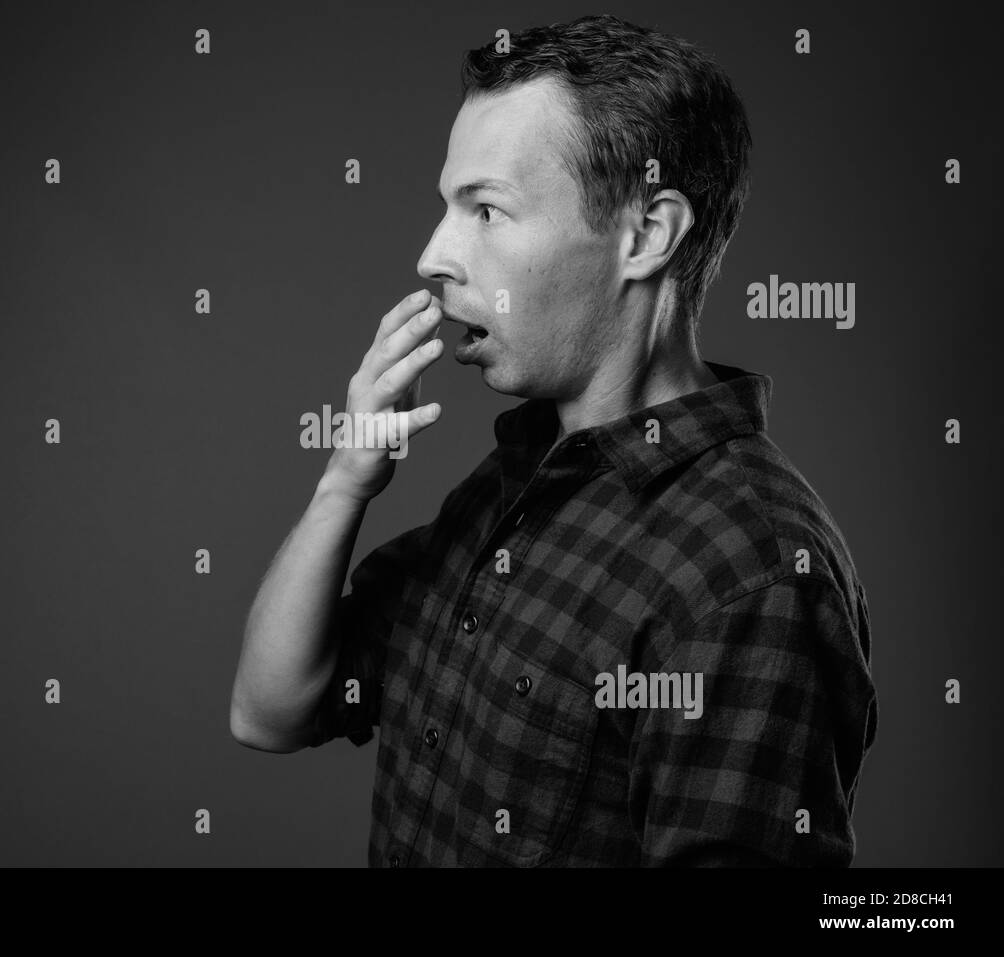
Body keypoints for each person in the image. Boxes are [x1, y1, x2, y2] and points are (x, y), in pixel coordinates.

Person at [230, 14, 877, 867]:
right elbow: (271, 711)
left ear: (646, 234)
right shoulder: (511, 487)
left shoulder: (753, 576)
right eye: (446, 206)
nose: (433, 255)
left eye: (488, 209)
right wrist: (344, 483)